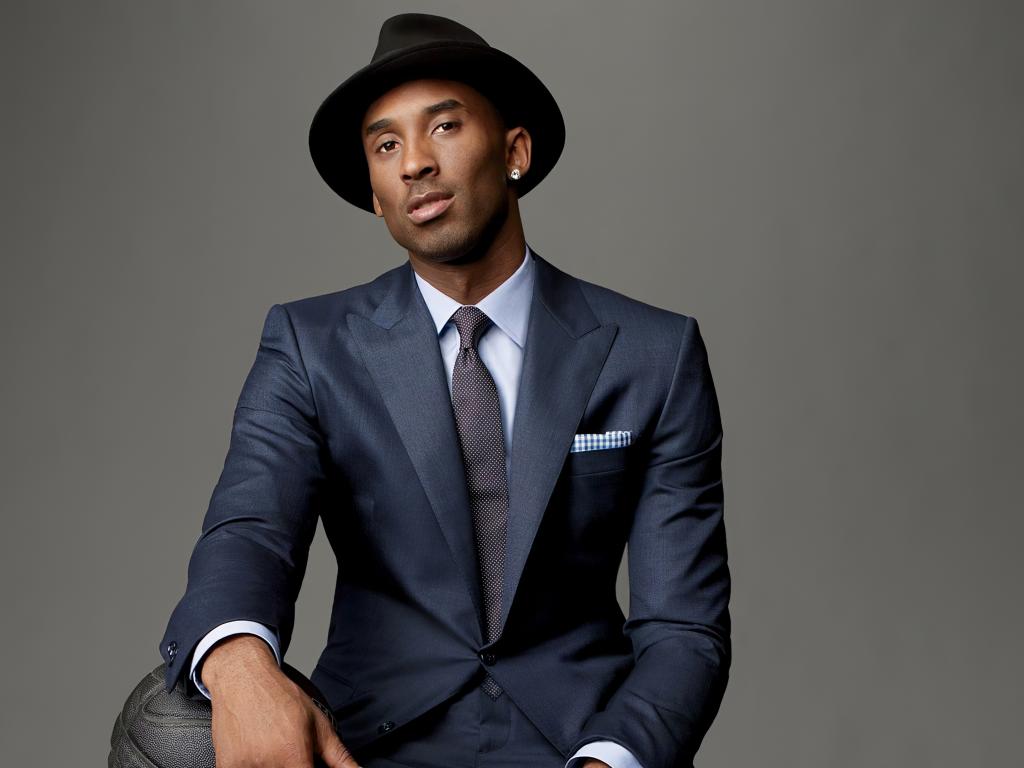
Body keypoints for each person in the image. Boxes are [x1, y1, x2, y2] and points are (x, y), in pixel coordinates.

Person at [158, 12, 731, 768]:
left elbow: (684, 629)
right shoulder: (309, 345)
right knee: (167, 732)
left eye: (444, 127)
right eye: (386, 145)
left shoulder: (655, 353)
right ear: (374, 192)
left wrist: (609, 760)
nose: (415, 164)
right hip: (362, 746)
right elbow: (250, 532)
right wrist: (240, 665)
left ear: (515, 150)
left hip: (579, 744)